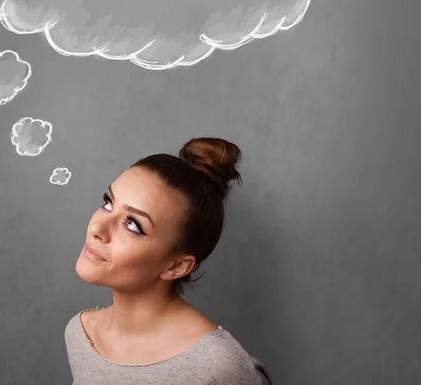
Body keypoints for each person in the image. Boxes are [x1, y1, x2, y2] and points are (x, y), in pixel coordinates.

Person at [65, 137, 273, 384]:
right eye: (108, 203)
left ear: (176, 266)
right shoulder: (79, 335)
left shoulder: (217, 366)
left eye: (133, 224)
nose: (98, 227)